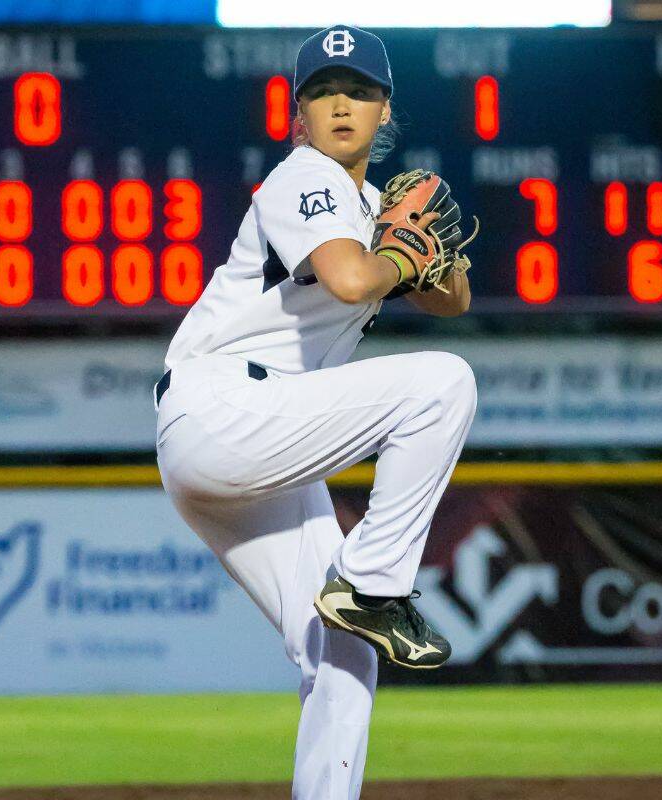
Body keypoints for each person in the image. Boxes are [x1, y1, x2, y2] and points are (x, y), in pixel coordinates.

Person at [155, 24, 476, 799]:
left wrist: (424, 252)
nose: (341, 105)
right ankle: (372, 584)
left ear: (384, 108)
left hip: (248, 437)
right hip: (227, 406)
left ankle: (357, 616)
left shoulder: (366, 203)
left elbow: (454, 298)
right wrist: (401, 252)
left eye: (359, 91)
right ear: (298, 115)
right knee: (443, 384)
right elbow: (351, 280)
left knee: (342, 653)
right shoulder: (307, 176)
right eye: (324, 92)